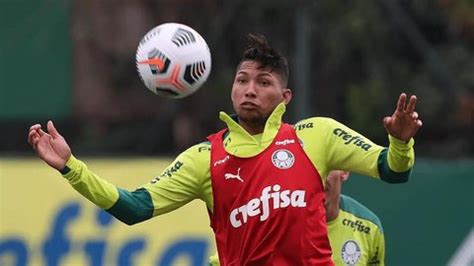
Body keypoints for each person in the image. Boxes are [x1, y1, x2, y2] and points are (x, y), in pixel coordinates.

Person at [28, 34, 422, 265]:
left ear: (284, 96)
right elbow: (134, 208)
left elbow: (393, 170)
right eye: (242, 80)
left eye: (263, 82)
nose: (250, 89)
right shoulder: (205, 158)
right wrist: (71, 167)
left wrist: (400, 141)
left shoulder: (316, 135)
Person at [209, 170, 385, 266]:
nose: (318, 175)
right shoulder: (268, 218)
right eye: (310, 165)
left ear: (344, 171)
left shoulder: (368, 226)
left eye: (327, 165)